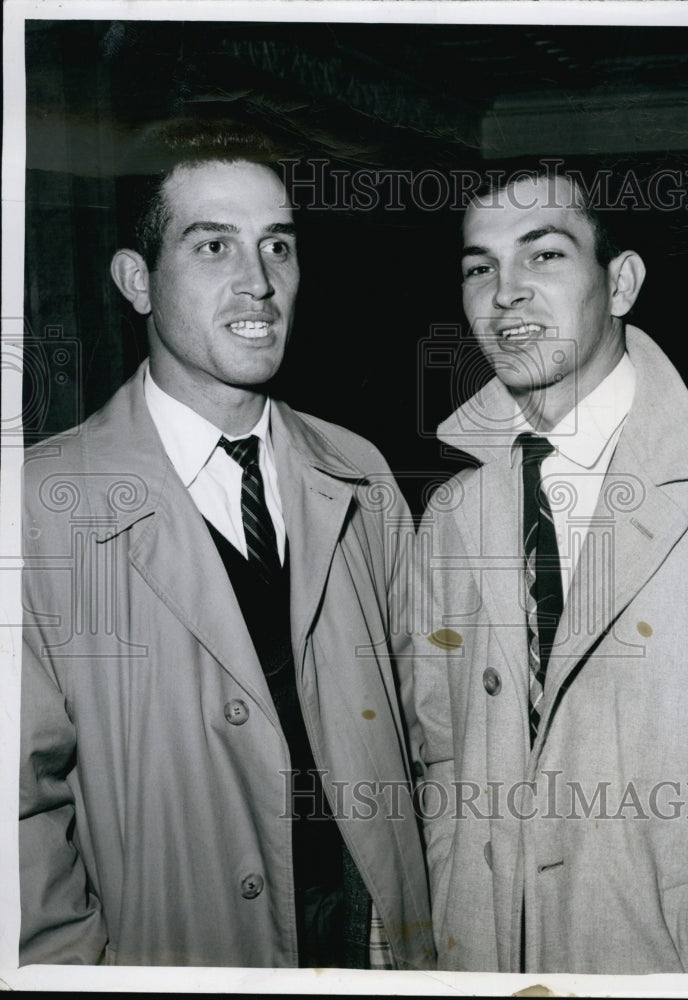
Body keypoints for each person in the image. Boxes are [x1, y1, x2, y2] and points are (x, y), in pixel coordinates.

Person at [20, 122, 433, 970]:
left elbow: (431, 731)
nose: (259, 284)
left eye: (277, 246)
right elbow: (18, 808)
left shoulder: (358, 471)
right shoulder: (36, 508)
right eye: (213, 246)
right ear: (137, 280)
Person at [412, 164, 688, 974]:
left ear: (620, 283)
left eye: (543, 255)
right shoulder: (452, 512)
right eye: (479, 267)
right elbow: (440, 755)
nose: (504, 292)